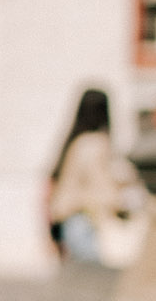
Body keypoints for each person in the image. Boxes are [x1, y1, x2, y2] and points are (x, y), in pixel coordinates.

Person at [48, 88, 147, 269]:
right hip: (87, 223)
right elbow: (102, 188)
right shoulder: (96, 143)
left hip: (70, 223)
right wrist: (122, 203)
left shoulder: (76, 142)